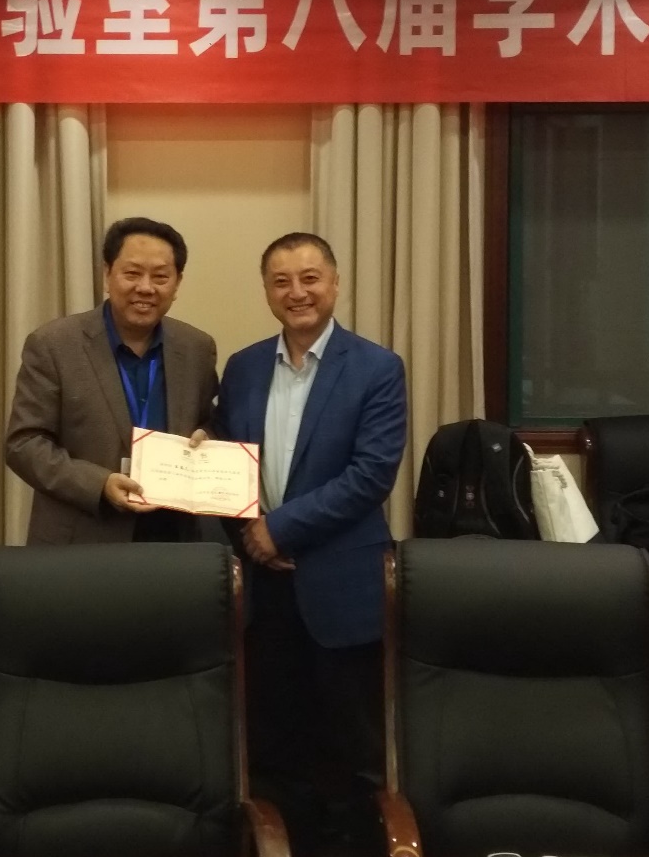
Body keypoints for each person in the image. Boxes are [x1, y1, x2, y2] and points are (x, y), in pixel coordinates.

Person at [215, 231, 407, 857]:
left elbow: (370, 475)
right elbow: (230, 465)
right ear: (266, 291)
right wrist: (250, 532)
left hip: (343, 590)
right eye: (281, 281)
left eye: (309, 278)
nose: (296, 292)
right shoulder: (243, 368)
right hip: (264, 587)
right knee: (274, 745)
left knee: (355, 748)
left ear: (335, 283)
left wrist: (282, 528)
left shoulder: (377, 368)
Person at [5, 216, 218, 545]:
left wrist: (208, 437)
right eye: (132, 273)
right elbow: (24, 444)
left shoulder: (197, 348)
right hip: (82, 537)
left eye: (160, 277)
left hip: (173, 538)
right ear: (107, 274)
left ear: (177, 284)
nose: (145, 287)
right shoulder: (53, 344)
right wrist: (99, 484)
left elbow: (210, 422)